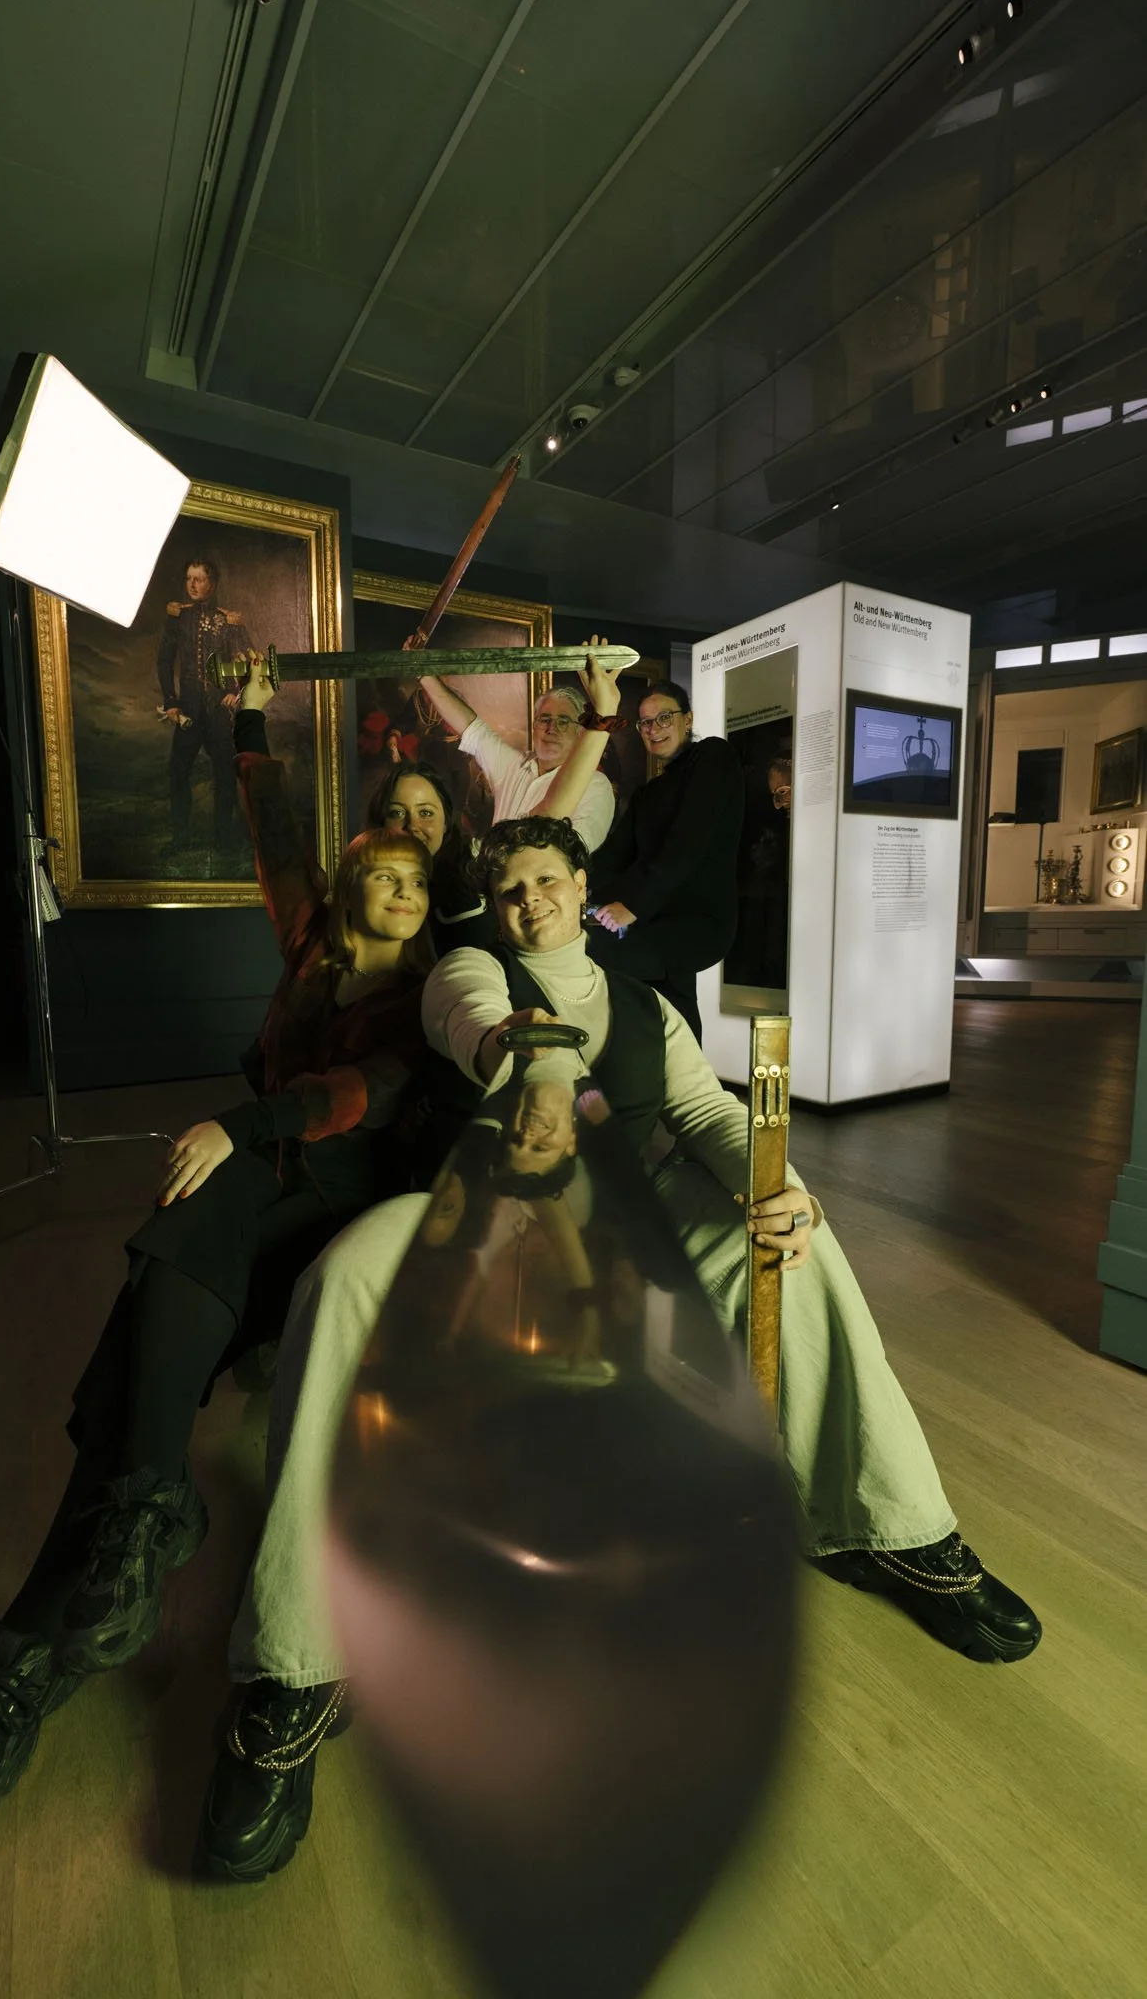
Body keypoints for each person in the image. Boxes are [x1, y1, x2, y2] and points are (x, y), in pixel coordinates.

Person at [194, 814, 1041, 1885]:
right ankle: (296, 1667)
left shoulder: (644, 1004)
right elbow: (478, 1024)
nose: (530, 902)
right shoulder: (466, 970)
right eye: (510, 889)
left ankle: (887, 1526)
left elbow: (704, 1113)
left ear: (581, 883)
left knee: (796, 1251)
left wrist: (778, 1184)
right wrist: (540, 1064)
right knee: (346, 1275)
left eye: (547, 881)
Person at [0, 660, 435, 1854]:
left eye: (423, 852)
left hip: (334, 1206)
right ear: (351, 877)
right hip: (253, 1189)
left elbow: (362, 1093)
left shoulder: (442, 989)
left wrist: (244, 1121)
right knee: (163, 1305)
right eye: (384, 852)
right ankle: (110, 1548)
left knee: (183, 1243)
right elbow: (269, 820)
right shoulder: (311, 941)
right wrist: (248, 713)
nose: (403, 866)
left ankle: (46, 1626)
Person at [587, 680, 744, 1040]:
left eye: (664, 718)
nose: (653, 729)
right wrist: (573, 884)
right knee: (673, 1002)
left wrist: (633, 906)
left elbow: (687, 844)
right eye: (645, 722)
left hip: (697, 920)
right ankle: (686, 1073)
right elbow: (612, 859)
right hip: (656, 917)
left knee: (597, 953)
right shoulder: (648, 793)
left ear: (688, 719)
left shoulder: (713, 756)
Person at [416, 643, 623, 856]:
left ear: (580, 731)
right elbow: (470, 726)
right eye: (544, 719)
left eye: (563, 721)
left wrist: (605, 708)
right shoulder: (514, 765)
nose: (551, 728)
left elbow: (571, 852)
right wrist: (423, 673)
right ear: (534, 726)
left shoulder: (596, 785)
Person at [156, 557, 253, 850]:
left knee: (225, 774)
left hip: (218, 711)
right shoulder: (178, 617)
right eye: (189, 578)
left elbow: (247, 659)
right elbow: (164, 661)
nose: (192, 584)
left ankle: (223, 839)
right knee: (178, 772)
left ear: (212, 583)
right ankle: (180, 838)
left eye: (199, 579)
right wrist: (171, 701)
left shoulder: (229, 620)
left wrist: (235, 691)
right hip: (187, 710)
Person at [364, 758, 493, 957]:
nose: (412, 826)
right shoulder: (362, 886)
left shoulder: (467, 897)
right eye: (397, 812)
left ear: (446, 823)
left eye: (425, 813)